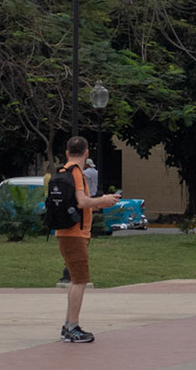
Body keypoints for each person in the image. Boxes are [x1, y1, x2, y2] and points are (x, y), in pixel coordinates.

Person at [55, 135, 122, 344]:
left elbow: (79, 203)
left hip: (65, 232)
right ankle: (72, 327)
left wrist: (99, 203)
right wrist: (103, 200)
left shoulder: (63, 170)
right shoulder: (77, 173)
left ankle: (68, 324)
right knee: (80, 281)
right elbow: (82, 201)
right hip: (74, 234)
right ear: (86, 153)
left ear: (67, 153)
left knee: (77, 279)